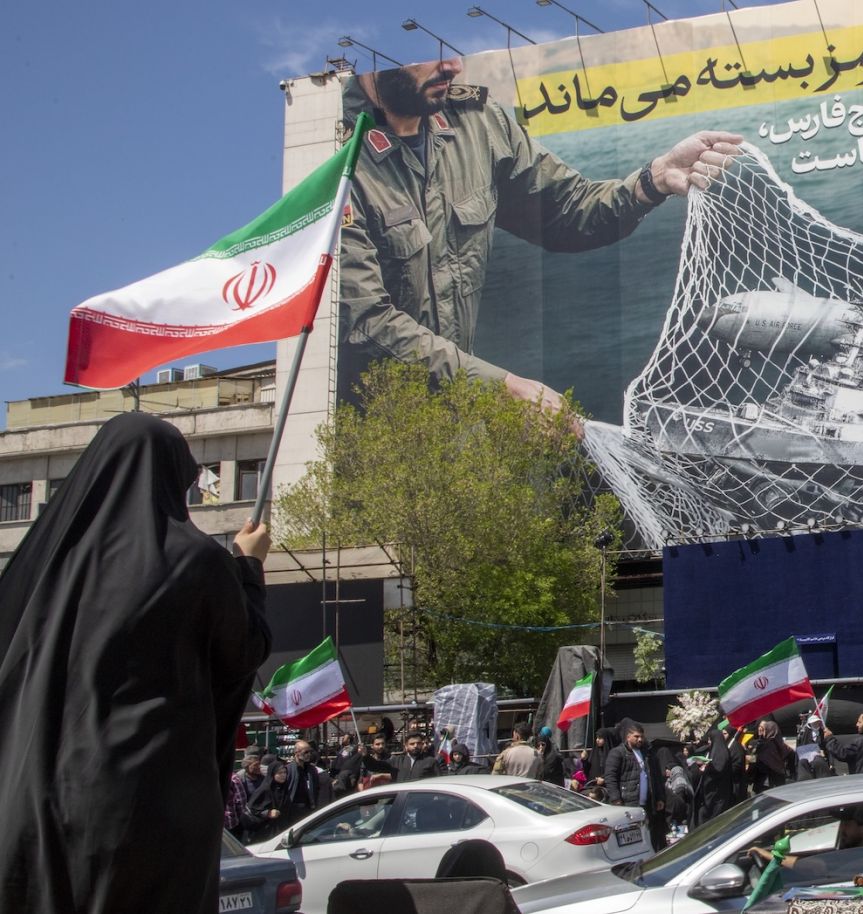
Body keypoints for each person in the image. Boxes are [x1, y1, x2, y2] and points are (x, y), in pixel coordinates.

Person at [337, 53, 743, 408]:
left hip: (465, 418)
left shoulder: (478, 123)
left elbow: (565, 211)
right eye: (430, 53)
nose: (454, 67)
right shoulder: (330, 155)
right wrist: (500, 387)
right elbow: (366, 323)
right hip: (378, 440)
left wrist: (651, 180)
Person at [0, 412, 273, 914]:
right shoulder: (193, 558)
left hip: (35, 801)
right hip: (146, 807)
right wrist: (247, 567)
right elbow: (243, 651)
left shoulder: (51, 564)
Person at [607, 721, 671, 850]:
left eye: (641, 736)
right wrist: (616, 799)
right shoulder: (618, 753)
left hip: (648, 803)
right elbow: (610, 777)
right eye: (636, 736)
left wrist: (659, 797)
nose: (640, 739)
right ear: (628, 737)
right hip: (628, 802)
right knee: (630, 835)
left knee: (649, 834)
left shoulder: (647, 753)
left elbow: (656, 777)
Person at [750, 718, 796, 794]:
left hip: (765, 781)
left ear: (769, 730)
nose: (761, 730)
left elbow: (758, 759)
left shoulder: (765, 745)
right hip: (779, 777)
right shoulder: (780, 743)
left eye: (763, 728)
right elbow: (791, 753)